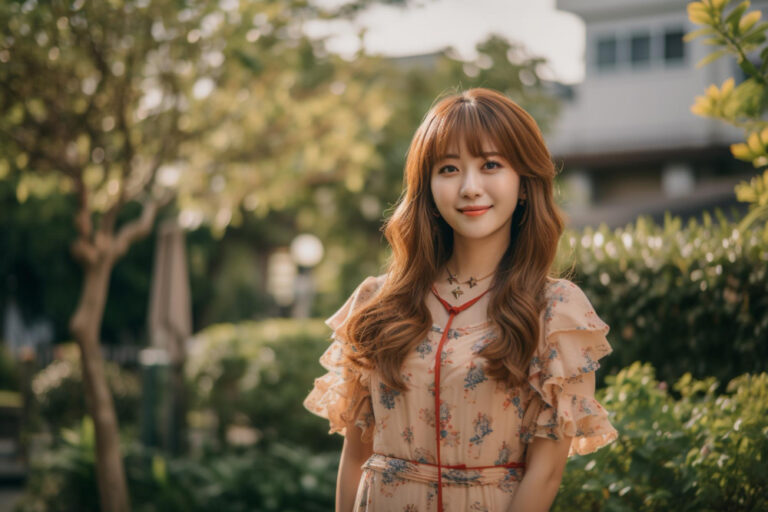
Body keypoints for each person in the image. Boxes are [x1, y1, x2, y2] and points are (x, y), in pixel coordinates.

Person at [303, 87, 618, 512]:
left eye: (490, 165)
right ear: (428, 186)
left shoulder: (555, 310)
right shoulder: (377, 302)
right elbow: (357, 456)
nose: (470, 187)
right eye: (449, 169)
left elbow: (545, 474)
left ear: (524, 184)